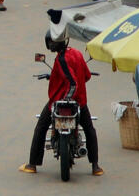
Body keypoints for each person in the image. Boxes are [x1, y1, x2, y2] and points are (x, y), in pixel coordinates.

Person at [22, 21, 101, 176]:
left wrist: (67, 97)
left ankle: (32, 164)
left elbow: (72, 82)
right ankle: (96, 166)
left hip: (59, 101)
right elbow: (86, 76)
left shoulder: (61, 59)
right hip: (80, 101)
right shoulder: (77, 54)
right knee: (89, 129)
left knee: (41, 127)